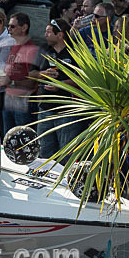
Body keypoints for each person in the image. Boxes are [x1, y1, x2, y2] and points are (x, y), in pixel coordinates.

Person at [34, 19, 79, 159]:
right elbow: (30, 74)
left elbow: (82, 79)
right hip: (45, 109)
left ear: (60, 35)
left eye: (48, 32)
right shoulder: (43, 50)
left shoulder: (74, 52)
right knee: (43, 153)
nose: (45, 34)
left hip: (66, 111)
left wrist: (60, 84)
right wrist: (44, 74)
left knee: (65, 155)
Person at [0, 13, 45, 129]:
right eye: (8, 26)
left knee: (22, 139)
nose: (9, 29)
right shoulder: (14, 46)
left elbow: (33, 80)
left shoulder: (31, 49)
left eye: (12, 26)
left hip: (23, 101)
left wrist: (10, 82)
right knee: (9, 139)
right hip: (9, 97)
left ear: (24, 28)